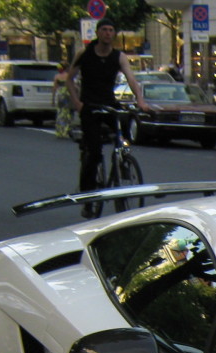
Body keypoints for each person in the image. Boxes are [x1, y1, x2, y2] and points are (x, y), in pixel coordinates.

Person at [66, 17, 149, 217]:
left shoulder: (118, 57)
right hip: (90, 106)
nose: (108, 33)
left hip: (109, 103)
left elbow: (131, 79)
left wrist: (140, 100)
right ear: (97, 32)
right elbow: (70, 79)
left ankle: (122, 160)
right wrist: (77, 103)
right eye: (104, 29)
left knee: (125, 125)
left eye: (111, 30)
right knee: (94, 152)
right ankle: (87, 198)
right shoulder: (84, 54)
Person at [53, 65, 74, 140]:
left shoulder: (57, 76)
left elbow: (54, 88)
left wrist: (52, 99)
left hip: (60, 95)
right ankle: (66, 131)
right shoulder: (68, 76)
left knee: (60, 113)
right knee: (67, 113)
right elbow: (72, 86)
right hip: (67, 94)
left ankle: (59, 131)